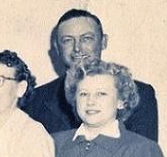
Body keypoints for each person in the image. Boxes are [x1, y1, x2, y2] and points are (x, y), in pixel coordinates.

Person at [25, 9, 158, 142]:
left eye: (86, 39)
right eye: (67, 40)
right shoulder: (34, 100)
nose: (77, 48)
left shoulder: (140, 94)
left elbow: (144, 152)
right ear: (57, 47)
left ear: (103, 42)